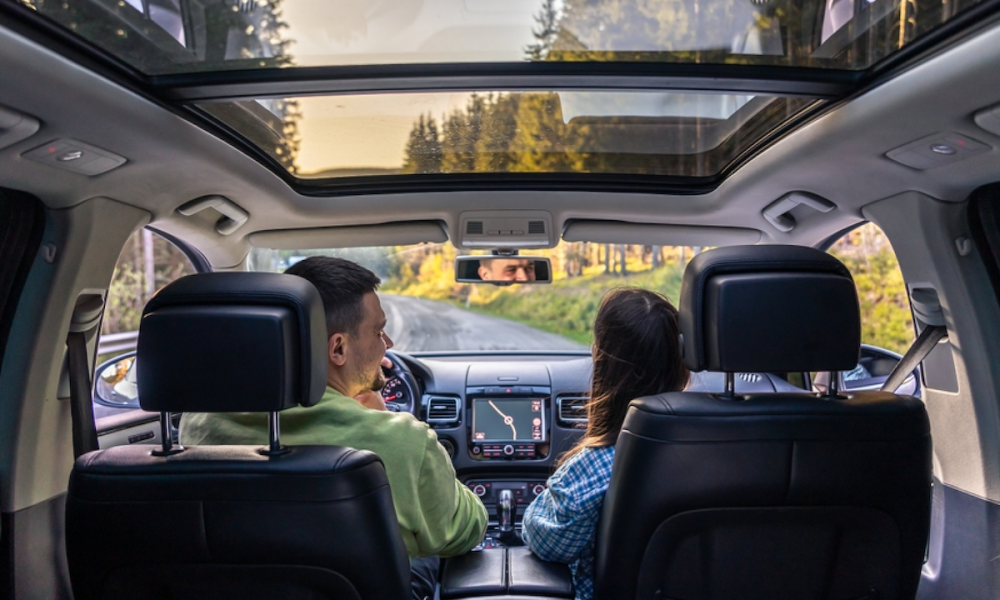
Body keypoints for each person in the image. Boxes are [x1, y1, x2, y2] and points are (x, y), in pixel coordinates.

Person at [180, 257, 487, 600]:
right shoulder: (400, 440)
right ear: (338, 348)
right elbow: (466, 530)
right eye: (377, 331)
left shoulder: (197, 424)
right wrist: (383, 421)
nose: (388, 343)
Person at [520, 288, 689, 600]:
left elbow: (547, 543)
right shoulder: (726, 447)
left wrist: (529, 516)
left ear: (603, 361)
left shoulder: (597, 464)